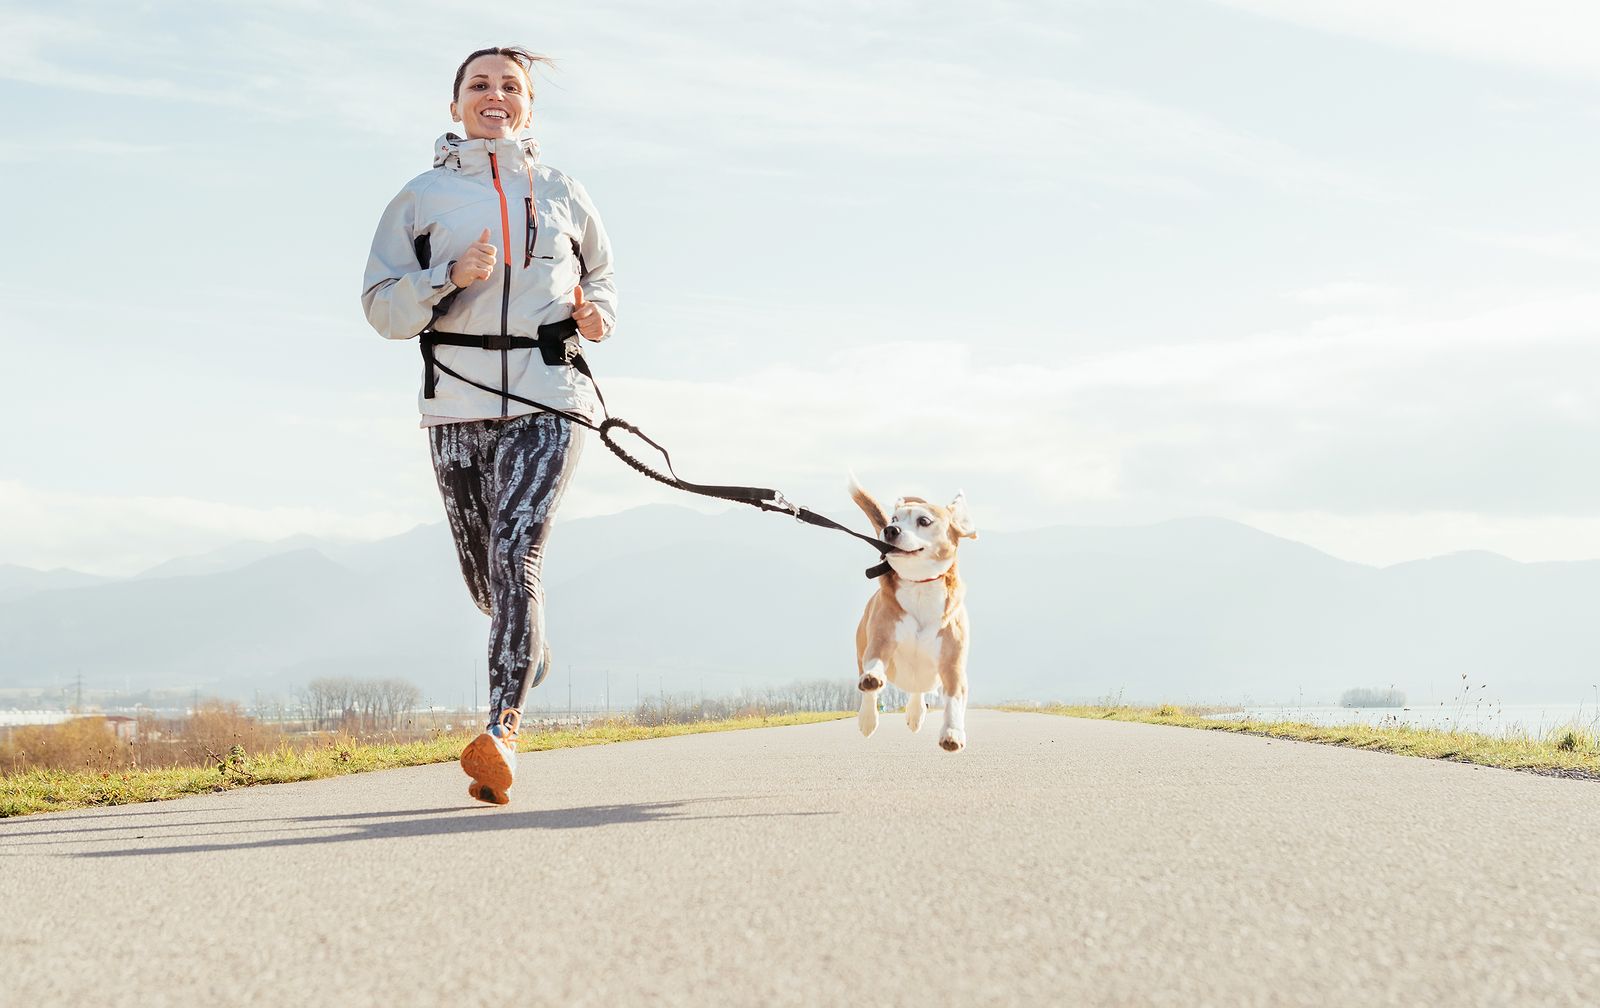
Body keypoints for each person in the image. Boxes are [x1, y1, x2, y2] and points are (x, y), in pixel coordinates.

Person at [361, 45, 616, 805]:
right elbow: (380, 307)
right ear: (455, 106)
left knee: (515, 552)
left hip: (549, 399)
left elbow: (601, 275)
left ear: (529, 106)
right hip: (457, 405)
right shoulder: (420, 197)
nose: (494, 96)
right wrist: (447, 277)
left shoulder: (566, 191)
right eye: (480, 85)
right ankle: (522, 634)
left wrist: (597, 317)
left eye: (511, 86)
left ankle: (502, 732)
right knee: (488, 579)